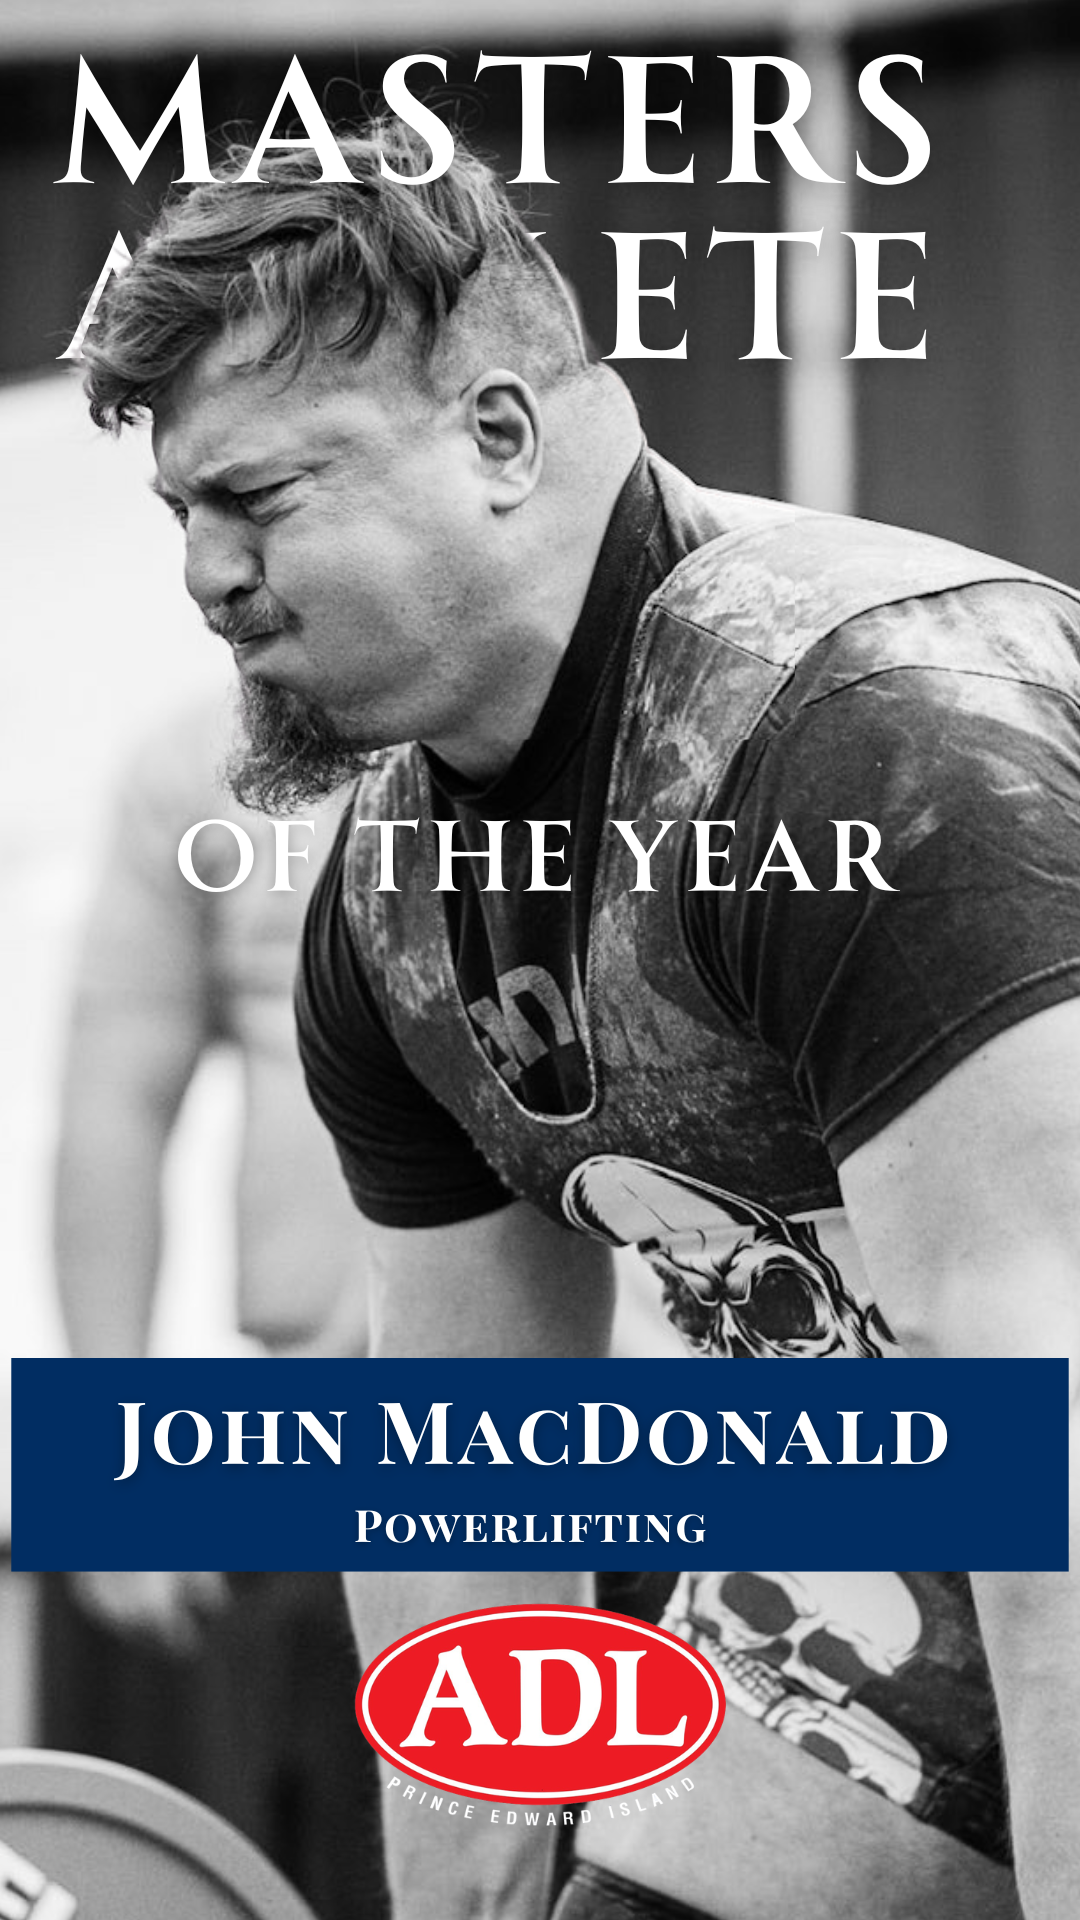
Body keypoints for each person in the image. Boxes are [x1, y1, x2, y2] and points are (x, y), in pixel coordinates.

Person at [78, 123, 1080, 1920]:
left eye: (264, 500)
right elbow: (469, 1475)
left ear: (499, 438)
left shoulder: (870, 739)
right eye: (182, 514)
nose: (206, 577)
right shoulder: (383, 910)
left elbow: (1052, 1415)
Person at [50, 706, 386, 1920]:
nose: (220, 565)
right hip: (313, 1430)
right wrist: (103, 1475)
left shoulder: (669, 738)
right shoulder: (201, 765)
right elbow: (115, 1098)